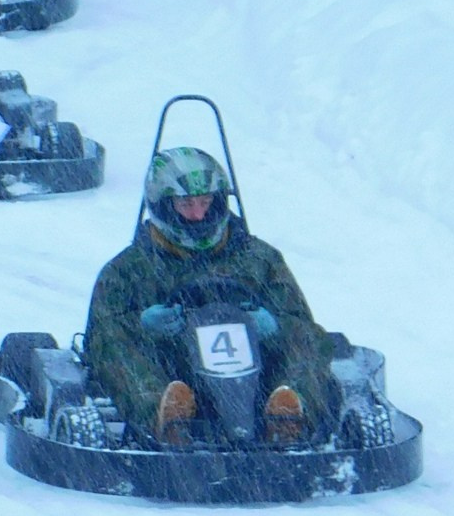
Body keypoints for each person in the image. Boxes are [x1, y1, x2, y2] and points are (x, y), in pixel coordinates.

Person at [80, 147, 336, 447]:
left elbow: (299, 321)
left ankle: (287, 414)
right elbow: (98, 339)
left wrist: (272, 325)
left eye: (205, 202)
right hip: (173, 368)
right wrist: (143, 325)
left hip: (256, 376)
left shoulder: (259, 259)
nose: (198, 214)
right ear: (163, 206)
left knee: (313, 338)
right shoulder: (127, 269)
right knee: (114, 338)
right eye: (186, 204)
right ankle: (167, 417)